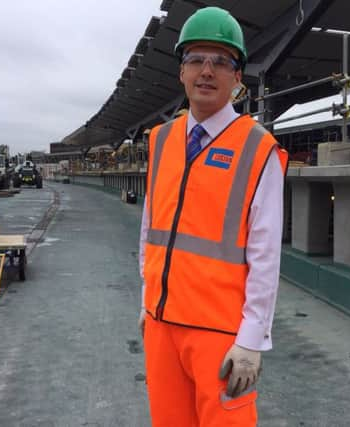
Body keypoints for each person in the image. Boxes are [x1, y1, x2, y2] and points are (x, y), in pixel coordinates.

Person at [138, 6, 288, 426]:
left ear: (237, 77)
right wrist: (147, 303)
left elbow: (265, 251)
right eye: (196, 59)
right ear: (181, 71)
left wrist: (252, 339)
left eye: (221, 61)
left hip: (220, 337)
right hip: (161, 326)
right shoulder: (161, 141)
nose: (207, 70)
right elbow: (150, 228)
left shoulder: (259, 150)